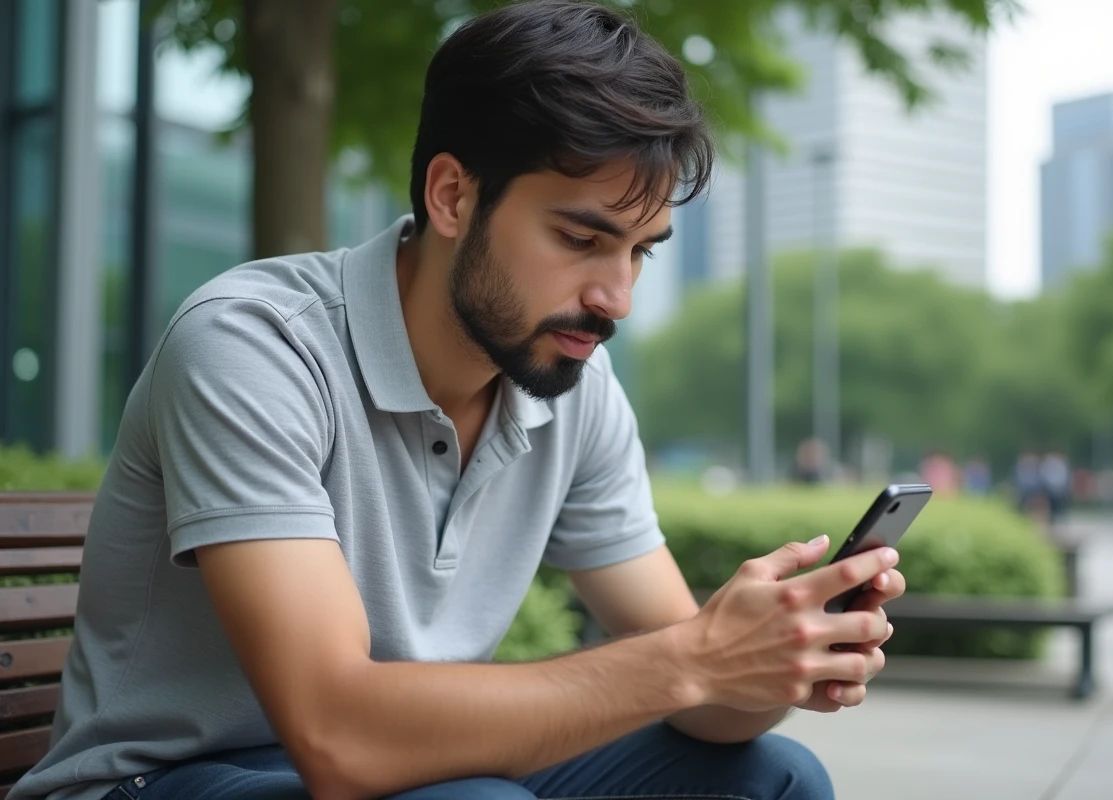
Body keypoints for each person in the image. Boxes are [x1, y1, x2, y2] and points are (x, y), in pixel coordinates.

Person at [10, 3, 906, 800]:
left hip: (411, 768)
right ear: (452, 195)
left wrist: (766, 664)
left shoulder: (573, 386)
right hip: (155, 778)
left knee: (774, 778)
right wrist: (693, 659)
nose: (616, 298)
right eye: (581, 237)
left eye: (641, 251)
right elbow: (337, 734)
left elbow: (694, 690)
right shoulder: (254, 346)